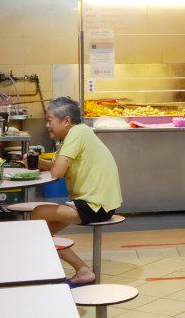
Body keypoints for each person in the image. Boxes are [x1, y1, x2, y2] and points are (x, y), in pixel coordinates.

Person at [30, 97, 123, 286]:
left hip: (96, 205)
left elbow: (57, 172)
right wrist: (37, 162)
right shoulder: (75, 135)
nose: (47, 125)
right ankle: (81, 271)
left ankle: (81, 270)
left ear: (66, 120)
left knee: (38, 214)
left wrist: (46, 166)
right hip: (92, 202)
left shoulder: (77, 133)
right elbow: (57, 166)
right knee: (42, 233)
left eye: (49, 120)